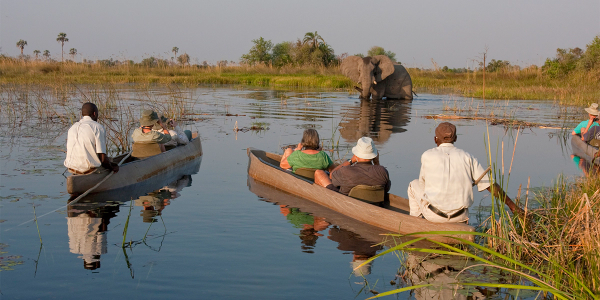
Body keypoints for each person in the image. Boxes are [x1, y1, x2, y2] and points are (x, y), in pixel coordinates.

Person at [407, 122, 520, 223]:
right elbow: (490, 185)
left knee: (413, 185)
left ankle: (417, 222)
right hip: (460, 217)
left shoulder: (427, 155)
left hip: (434, 216)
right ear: (455, 138)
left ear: (435, 139)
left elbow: (423, 185)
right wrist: (513, 207)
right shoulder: (468, 157)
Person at [314, 137, 390, 196]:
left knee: (319, 173)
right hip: (374, 202)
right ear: (374, 155)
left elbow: (331, 175)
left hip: (347, 201)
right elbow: (386, 189)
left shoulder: (346, 171)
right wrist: (376, 162)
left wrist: (351, 161)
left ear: (356, 154)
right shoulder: (383, 171)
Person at [64, 102, 119, 174]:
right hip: (89, 170)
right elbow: (102, 158)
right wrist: (112, 168)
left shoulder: (72, 128)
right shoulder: (97, 127)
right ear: (94, 114)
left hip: (72, 169)